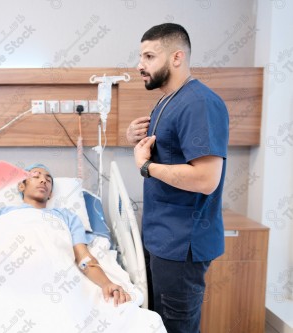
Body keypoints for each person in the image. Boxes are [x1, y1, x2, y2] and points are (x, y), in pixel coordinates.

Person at [126, 23, 229, 332]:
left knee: (177, 327)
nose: (140, 65)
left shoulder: (199, 103)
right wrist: (132, 137)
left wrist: (145, 167)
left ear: (176, 57)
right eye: (140, 56)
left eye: (149, 56)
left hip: (182, 244)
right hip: (162, 237)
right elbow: (167, 154)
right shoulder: (165, 100)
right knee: (160, 323)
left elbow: (206, 178)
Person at [0, 163, 133, 307]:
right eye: (36, 176)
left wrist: (106, 284)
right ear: (21, 186)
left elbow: (83, 258)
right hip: (5, 273)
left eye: (48, 180)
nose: (43, 180)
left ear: (50, 194)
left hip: (51, 275)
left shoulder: (67, 217)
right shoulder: (1, 214)